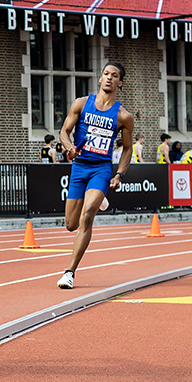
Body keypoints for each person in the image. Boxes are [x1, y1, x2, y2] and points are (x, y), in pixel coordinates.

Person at [54, 62, 134, 290]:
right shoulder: (81, 104)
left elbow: (127, 149)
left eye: (114, 75)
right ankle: (98, 198)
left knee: (87, 216)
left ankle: (69, 272)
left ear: (120, 82)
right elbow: (64, 132)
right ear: (100, 79)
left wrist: (119, 175)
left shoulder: (123, 116)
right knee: (71, 224)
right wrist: (69, 147)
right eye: (106, 74)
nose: (109, 78)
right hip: (79, 168)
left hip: (101, 168)